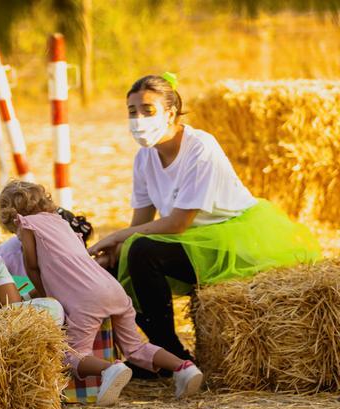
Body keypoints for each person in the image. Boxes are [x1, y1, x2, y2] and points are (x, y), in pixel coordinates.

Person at [87, 73, 321, 360]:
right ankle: (141, 354)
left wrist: (115, 237)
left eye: (148, 110)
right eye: (132, 112)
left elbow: (177, 223)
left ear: (170, 113)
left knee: (140, 251)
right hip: (190, 241)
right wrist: (113, 251)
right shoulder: (144, 157)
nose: (138, 119)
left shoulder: (200, 147)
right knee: (115, 262)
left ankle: (171, 353)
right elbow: (140, 224)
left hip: (230, 240)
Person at [1, 181, 204, 404]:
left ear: (12, 216)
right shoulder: (61, 223)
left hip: (86, 299)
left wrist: (45, 296)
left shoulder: (27, 224)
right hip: (112, 289)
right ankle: (184, 367)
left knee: (73, 355)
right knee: (135, 347)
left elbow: (32, 266)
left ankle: (110, 370)